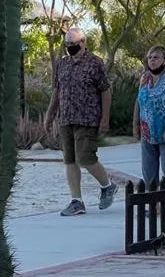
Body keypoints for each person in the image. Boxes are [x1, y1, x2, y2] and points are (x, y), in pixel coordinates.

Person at [44, 28, 118, 216]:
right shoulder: (62, 64)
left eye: (74, 45)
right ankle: (76, 201)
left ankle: (107, 186)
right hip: (66, 118)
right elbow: (57, 91)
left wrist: (105, 118)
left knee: (85, 158)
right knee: (69, 160)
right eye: (67, 45)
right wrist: (49, 114)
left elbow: (105, 91)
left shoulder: (95, 63)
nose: (70, 48)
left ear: (83, 43)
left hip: (87, 118)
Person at [132, 45, 165, 187]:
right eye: (150, 58)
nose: (152, 60)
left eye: (156, 57)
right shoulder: (144, 78)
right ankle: (156, 206)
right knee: (149, 173)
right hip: (147, 132)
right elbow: (139, 101)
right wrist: (135, 125)